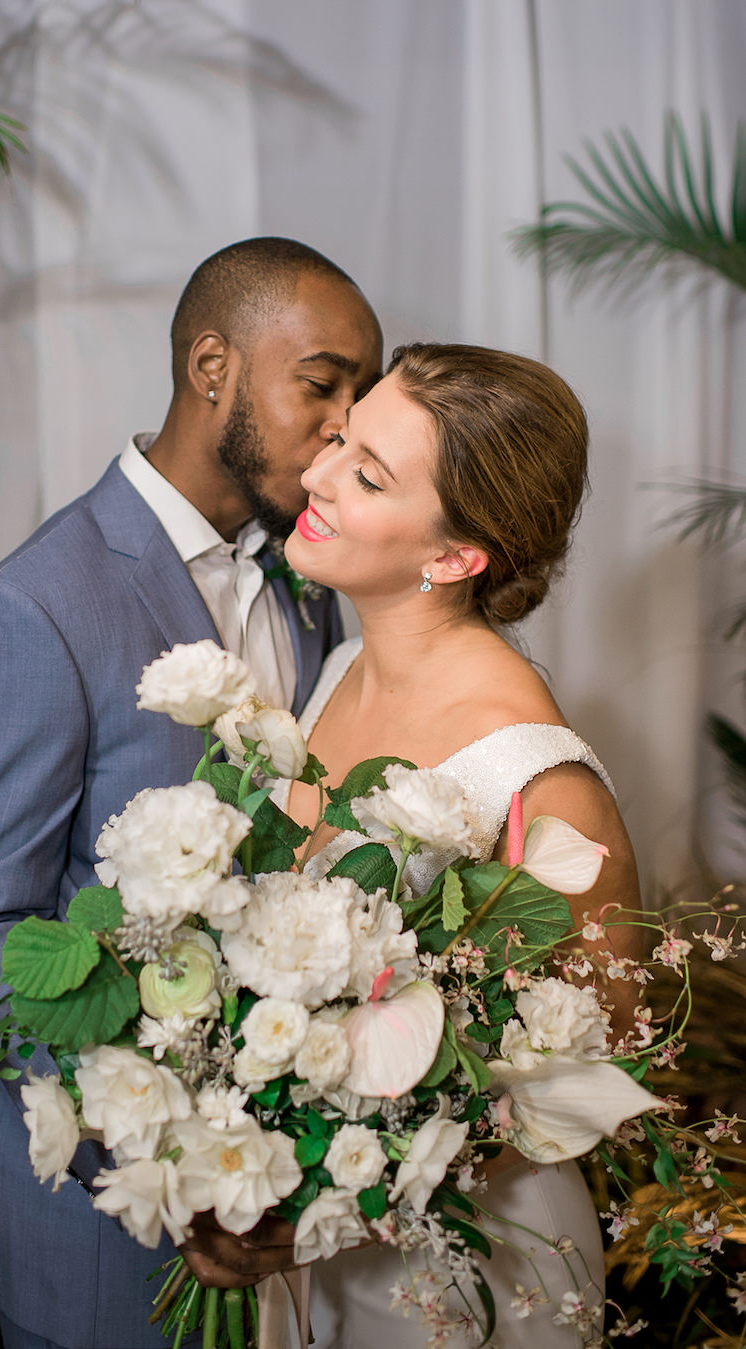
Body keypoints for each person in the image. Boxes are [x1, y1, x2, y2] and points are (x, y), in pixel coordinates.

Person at [0, 236, 383, 1349]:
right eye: (321, 384)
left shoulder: (306, 581)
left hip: (273, 1195)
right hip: (100, 1237)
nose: (347, 423)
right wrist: (162, 1158)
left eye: (363, 394)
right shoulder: (32, 608)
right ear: (211, 366)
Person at [278, 343, 642, 1348]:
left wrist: (350, 1170)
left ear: (454, 556)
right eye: (342, 440)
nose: (316, 474)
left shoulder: (533, 770)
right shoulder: (343, 663)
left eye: (366, 473)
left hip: (468, 1271)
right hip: (316, 1253)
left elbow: (604, 1055)